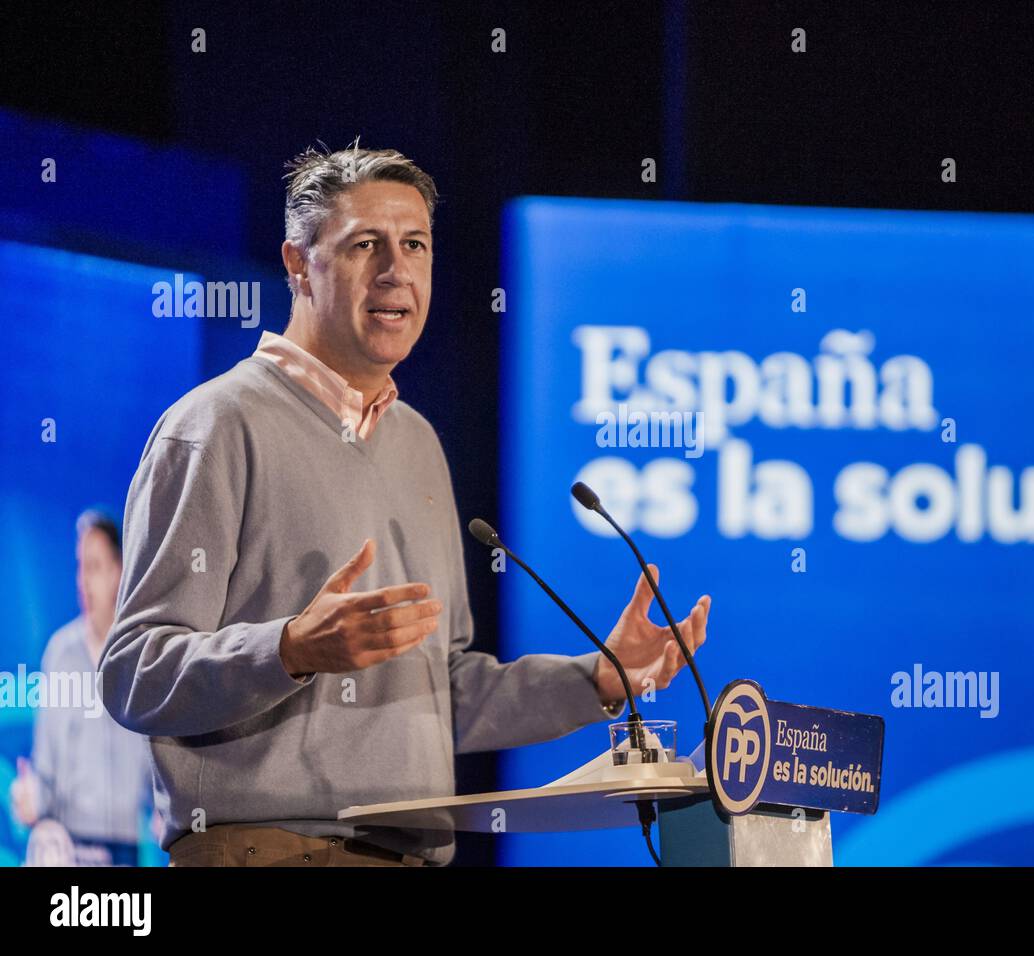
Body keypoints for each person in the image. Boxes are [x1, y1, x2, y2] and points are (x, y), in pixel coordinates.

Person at [99, 143, 711, 867]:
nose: (396, 271)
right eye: (365, 245)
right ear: (297, 264)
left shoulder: (418, 442)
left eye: (414, 244)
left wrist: (598, 678)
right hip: (269, 849)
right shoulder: (215, 426)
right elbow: (133, 673)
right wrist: (290, 648)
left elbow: (442, 691)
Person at [10, 511, 154, 866]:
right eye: (80, 567)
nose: (83, 581)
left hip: (132, 849)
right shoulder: (60, 653)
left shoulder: (142, 651)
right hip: (69, 848)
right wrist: (28, 799)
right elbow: (45, 767)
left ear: (120, 571)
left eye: (94, 566)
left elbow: (159, 762)